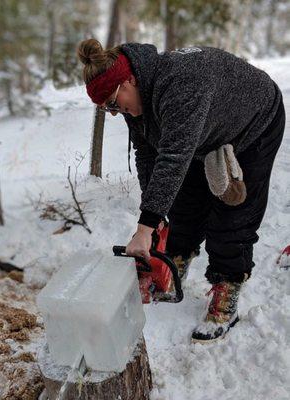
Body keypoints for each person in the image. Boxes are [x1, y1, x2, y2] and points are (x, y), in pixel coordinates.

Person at [77, 38, 285, 343]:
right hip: (205, 131)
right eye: (105, 108)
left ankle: (226, 291)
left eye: (111, 103)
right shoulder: (137, 102)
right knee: (184, 205)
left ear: (128, 81)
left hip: (253, 124)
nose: (112, 112)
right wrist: (153, 219)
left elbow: (174, 158)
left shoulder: (180, 84)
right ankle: (174, 265)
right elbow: (148, 153)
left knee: (232, 216)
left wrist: (145, 227)